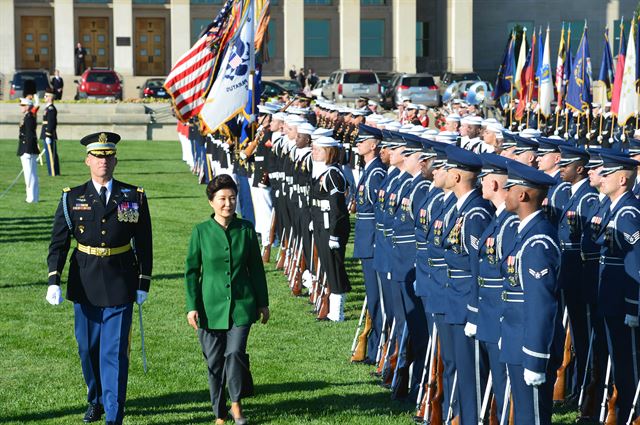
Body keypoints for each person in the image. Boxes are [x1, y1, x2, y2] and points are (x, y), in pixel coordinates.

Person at [45, 132, 153, 425]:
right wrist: (54, 279)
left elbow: (144, 242)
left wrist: (143, 282)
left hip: (120, 280)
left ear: (115, 160)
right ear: (87, 161)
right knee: (88, 348)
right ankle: (96, 399)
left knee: (114, 353)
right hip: (85, 282)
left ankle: (114, 415)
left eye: (108, 156)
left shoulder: (133, 196)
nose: (103, 161)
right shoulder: (73, 196)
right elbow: (58, 242)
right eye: (98, 156)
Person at [185, 174, 270, 425]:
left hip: (242, 307)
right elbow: (191, 271)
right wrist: (192, 307)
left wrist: (263, 303)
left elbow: (255, 269)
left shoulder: (245, 229)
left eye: (232, 198)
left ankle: (236, 406)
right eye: (222, 198)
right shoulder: (200, 232)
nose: (228, 204)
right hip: (209, 309)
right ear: (211, 202)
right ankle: (219, 414)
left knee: (234, 354)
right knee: (214, 363)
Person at [500, 161, 564, 425]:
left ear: (522, 195)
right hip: (517, 341)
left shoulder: (538, 242)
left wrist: (536, 358)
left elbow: (541, 306)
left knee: (532, 419)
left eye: (509, 189)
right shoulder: (524, 233)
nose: (505, 194)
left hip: (529, 346)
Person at [310, 136, 351, 321]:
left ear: (330, 152)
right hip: (321, 225)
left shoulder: (334, 174)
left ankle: (337, 312)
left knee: (335, 269)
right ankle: (332, 309)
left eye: (319, 149)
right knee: (328, 267)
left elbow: (338, 208)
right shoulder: (323, 172)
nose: (314, 152)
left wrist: (334, 234)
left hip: (330, 228)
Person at [17, 97, 39, 203]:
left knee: (29, 175)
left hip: (28, 150)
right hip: (27, 149)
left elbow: (30, 135)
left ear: (27, 106)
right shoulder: (28, 117)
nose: (21, 107)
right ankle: (33, 197)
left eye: (22, 105)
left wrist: (28, 150)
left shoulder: (29, 117)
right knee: (30, 174)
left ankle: (31, 198)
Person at [41, 89, 60, 176]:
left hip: (49, 134)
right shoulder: (48, 108)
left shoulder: (51, 109)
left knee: (51, 155)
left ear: (50, 97)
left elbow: (51, 122)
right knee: (49, 155)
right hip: (46, 133)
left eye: (46, 96)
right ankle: (53, 172)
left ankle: (53, 173)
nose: (44, 97)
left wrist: (48, 134)